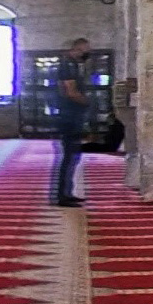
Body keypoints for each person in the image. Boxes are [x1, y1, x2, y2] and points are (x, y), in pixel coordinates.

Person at [52, 39, 92, 207]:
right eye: (85, 50)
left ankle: (68, 192)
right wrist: (87, 102)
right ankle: (63, 195)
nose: (86, 53)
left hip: (72, 115)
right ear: (76, 49)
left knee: (73, 155)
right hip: (70, 116)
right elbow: (71, 92)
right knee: (69, 156)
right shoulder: (67, 66)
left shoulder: (72, 65)